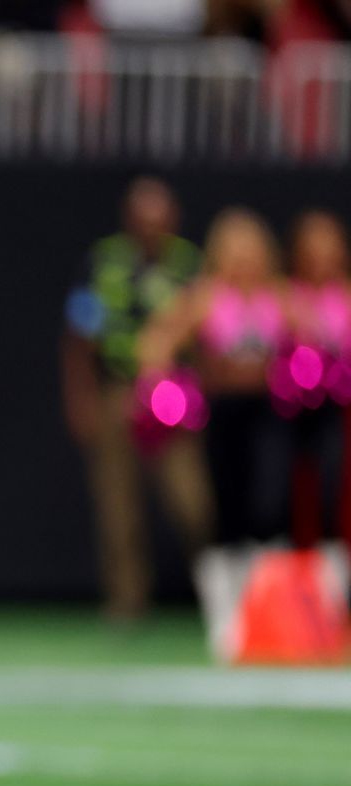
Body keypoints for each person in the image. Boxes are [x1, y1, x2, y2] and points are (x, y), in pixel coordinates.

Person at [139, 208, 289, 658]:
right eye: (234, 249)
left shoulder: (280, 297)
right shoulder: (205, 297)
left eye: (251, 249)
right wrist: (164, 386)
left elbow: (321, 334)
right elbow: (155, 341)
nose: (243, 258)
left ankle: (267, 613)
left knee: (267, 513)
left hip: (270, 417)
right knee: (223, 513)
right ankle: (225, 618)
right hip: (222, 418)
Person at [60, 177, 211, 624]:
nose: (149, 225)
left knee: (191, 502)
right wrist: (81, 397)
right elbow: (79, 336)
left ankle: (214, 594)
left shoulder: (190, 265)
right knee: (117, 503)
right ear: (128, 219)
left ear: (173, 219)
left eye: (158, 216)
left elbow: (206, 336)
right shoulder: (104, 261)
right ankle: (127, 602)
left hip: (172, 395)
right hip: (117, 390)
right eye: (141, 216)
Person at [283, 209, 351, 561]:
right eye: (313, 244)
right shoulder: (283, 296)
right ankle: (305, 566)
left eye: (329, 243)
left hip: (344, 416)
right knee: (304, 486)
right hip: (296, 415)